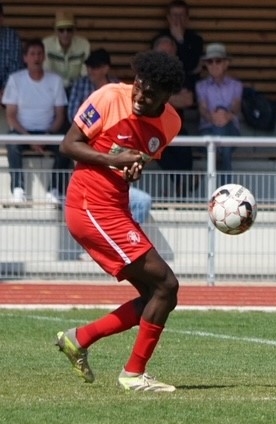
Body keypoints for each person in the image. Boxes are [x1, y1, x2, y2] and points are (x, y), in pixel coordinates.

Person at [55, 50, 184, 392]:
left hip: (115, 207)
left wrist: (131, 168)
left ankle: (79, 338)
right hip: (90, 206)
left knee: (157, 296)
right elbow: (68, 145)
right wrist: (114, 160)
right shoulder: (109, 97)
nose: (140, 96)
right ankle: (133, 374)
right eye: (138, 86)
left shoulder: (171, 124)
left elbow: (134, 159)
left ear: (166, 97)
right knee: (167, 285)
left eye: (150, 94)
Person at [67, 48, 153, 219]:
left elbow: (127, 121)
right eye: (89, 66)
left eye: (95, 67)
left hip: (113, 159)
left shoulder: (117, 89)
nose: (91, 70)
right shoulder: (81, 85)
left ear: (106, 68)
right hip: (89, 162)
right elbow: (74, 119)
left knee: (141, 201)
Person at [1, 39, 69, 206]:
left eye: (39, 54)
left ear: (44, 57)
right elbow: (11, 116)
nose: (36, 58)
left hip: (49, 132)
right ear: (25, 58)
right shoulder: (15, 80)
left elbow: (60, 115)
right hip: (23, 132)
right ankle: (18, 189)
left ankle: (55, 190)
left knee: (67, 145)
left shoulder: (55, 80)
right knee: (12, 142)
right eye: (32, 54)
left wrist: (47, 136)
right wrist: (29, 138)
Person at [152, 34, 196, 198]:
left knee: (185, 145)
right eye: (162, 53)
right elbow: (147, 99)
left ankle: (182, 186)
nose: (166, 58)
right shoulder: (147, 74)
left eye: (170, 54)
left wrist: (162, 97)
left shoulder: (180, 75)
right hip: (153, 128)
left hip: (176, 128)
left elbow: (187, 100)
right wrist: (173, 98)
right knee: (156, 146)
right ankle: (183, 183)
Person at [195, 42, 242, 185]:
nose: (214, 65)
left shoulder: (236, 85)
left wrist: (226, 116)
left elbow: (236, 108)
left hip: (231, 129)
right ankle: (226, 190)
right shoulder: (200, 86)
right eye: (210, 61)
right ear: (206, 65)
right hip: (207, 129)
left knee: (221, 140)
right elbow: (203, 109)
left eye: (218, 61)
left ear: (226, 63)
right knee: (224, 147)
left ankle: (215, 189)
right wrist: (213, 118)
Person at [153, 0, 203, 92]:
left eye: (181, 15)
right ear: (168, 18)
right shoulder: (159, 39)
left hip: (189, 88)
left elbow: (192, 66)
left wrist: (180, 40)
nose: (178, 19)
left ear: (187, 18)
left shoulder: (196, 40)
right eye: (174, 15)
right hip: (164, 87)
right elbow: (159, 68)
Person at [42, 10, 91, 93]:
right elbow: (46, 71)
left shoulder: (84, 44)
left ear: (74, 30)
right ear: (55, 31)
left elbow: (85, 73)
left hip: (77, 87)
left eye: (69, 29)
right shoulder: (46, 44)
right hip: (52, 87)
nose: (65, 34)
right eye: (61, 30)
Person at [0, 3, 24, 98]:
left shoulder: (12, 36)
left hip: (9, 90)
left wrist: (5, 88)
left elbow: (16, 66)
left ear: (2, 18)